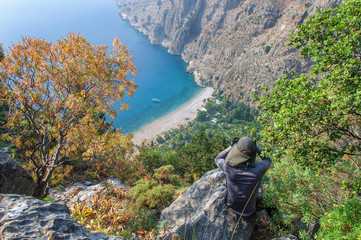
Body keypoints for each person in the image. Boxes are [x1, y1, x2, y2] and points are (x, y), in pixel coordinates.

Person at [215, 137, 272, 218]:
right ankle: (281, 226)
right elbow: (268, 159)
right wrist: (256, 148)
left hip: (231, 206)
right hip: (249, 210)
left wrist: (231, 147)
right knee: (270, 204)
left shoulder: (228, 168)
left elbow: (218, 158)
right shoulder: (258, 170)